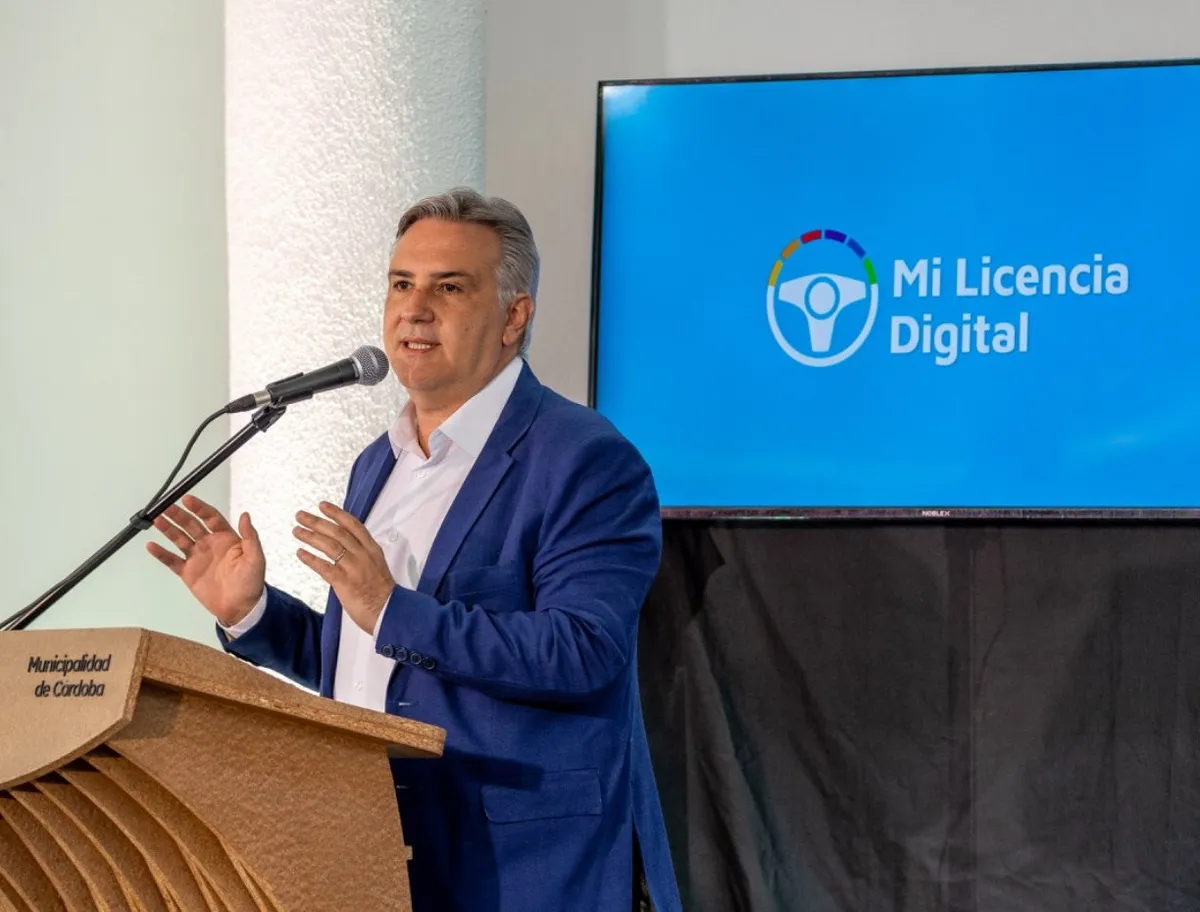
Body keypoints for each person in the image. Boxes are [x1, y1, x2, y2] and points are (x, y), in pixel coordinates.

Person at [147, 187, 683, 912]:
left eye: (448, 287)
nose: (414, 309)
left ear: (514, 316)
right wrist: (254, 614)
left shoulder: (582, 458)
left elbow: (582, 651)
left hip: (521, 867)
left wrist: (388, 608)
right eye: (401, 284)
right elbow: (378, 665)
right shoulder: (380, 462)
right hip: (376, 849)